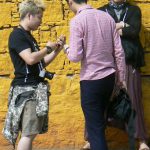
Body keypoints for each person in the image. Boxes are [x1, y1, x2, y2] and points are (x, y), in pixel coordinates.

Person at [82, 0, 150, 150]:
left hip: (130, 62)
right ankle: (91, 138)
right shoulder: (99, 11)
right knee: (98, 101)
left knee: (134, 100)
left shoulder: (134, 10)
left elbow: (134, 31)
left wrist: (115, 28)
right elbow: (99, 35)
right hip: (106, 64)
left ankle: (142, 140)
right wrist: (121, 26)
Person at [2, 0, 65, 150]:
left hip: (33, 90)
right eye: (39, 17)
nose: (41, 21)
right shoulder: (17, 35)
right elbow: (30, 59)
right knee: (28, 133)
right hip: (26, 92)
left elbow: (40, 63)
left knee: (30, 132)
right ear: (29, 16)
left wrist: (56, 50)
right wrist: (46, 49)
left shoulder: (28, 36)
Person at [64, 0, 126, 149]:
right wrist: (121, 79)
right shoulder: (107, 18)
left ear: (70, 2)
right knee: (99, 124)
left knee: (95, 129)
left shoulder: (77, 21)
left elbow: (75, 56)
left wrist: (66, 48)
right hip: (109, 78)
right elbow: (119, 52)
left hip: (91, 80)